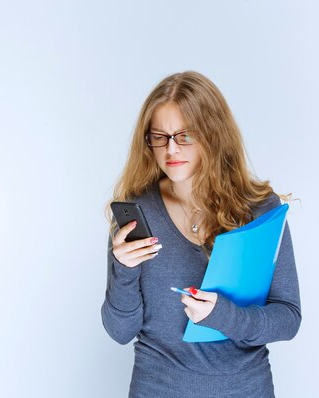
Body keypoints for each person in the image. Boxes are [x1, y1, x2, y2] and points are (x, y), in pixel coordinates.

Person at [101, 71, 301, 397]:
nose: (171, 149)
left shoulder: (259, 209)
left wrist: (224, 316)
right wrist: (123, 270)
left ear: (212, 133)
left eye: (185, 135)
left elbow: (288, 318)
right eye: (159, 137)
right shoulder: (138, 214)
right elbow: (120, 331)